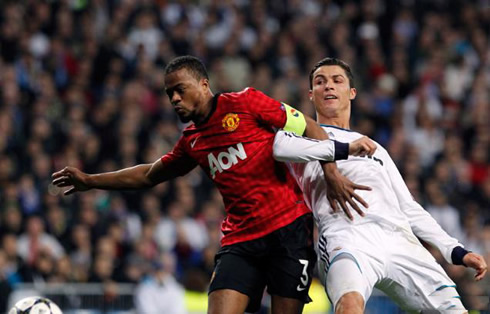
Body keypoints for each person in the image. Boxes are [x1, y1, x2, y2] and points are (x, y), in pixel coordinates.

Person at [52, 55, 375, 314]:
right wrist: (91, 181)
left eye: (180, 89)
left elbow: (309, 128)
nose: (175, 99)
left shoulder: (246, 103)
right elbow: (149, 174)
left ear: (204, 84)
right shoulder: (191, 142)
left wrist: (331, 174)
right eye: (169, 94)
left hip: (289, 231)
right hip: (241, 241)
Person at [272, 57, 488, 313]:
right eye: (320, 82)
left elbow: (409, 207)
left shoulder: (376, 149)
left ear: (352, 92)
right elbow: (279, 147)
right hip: (346, 234)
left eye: (336, 80)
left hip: (399, 238)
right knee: (350, 304)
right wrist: (342, 150)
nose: (328, 86)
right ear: (310, 94)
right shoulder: (301, 135)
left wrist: (455, 250)